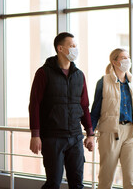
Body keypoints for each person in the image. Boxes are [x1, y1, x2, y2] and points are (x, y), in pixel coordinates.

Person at [29, 32, 95, 189]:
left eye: (75, 46)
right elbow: (34, 104)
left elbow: (84, 106)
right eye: (72, 46)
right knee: (53, 183)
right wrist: (35, 135)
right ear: (60, 48)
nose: (75, 49)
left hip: (75, 137)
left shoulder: (79, 75)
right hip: (53, 137)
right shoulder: (43, 73)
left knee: (77, 183)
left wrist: (90, 134)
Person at [90, 48, 133, 189]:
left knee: (131, 180)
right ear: (114, 61)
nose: (127, 60)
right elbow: (95, 111)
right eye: (123, 58)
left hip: (132, 133)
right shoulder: (104, 82)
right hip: (110, 133)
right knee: (106, 179)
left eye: (128, 57)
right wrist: (90, 134)